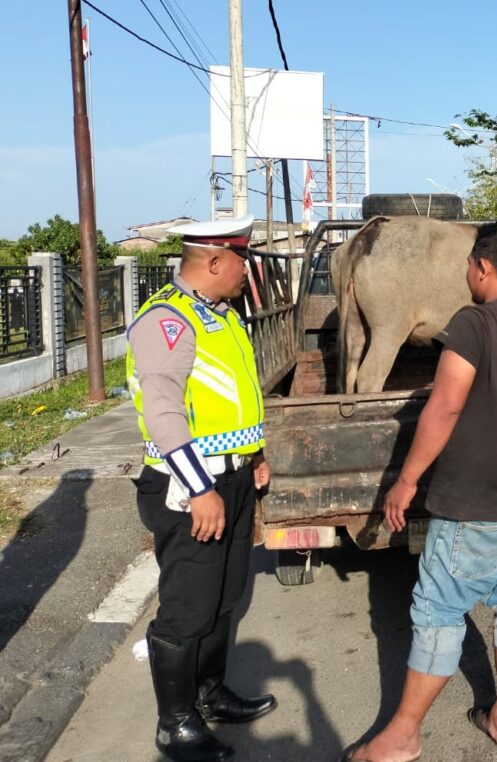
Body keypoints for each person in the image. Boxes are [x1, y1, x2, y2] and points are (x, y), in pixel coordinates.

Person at [347, 220, 497, 762]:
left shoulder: (474, 324)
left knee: (438, 614)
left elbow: (444, 406)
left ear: (483, 267)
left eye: (468, 265)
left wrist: (404, 481)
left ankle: (402, 735)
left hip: (475, 502)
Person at [127, 215, 275, 762]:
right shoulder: (167, 320)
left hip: (231, 477)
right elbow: (163, 414)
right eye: (243, 260)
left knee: (225, 594)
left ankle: (210, 694)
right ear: (214, 262)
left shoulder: (224, 317)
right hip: (189, 487)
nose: (248, 270)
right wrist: (199, 489)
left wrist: (253, 455)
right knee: (188, 607)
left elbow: (233, 396)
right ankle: (175, 722)